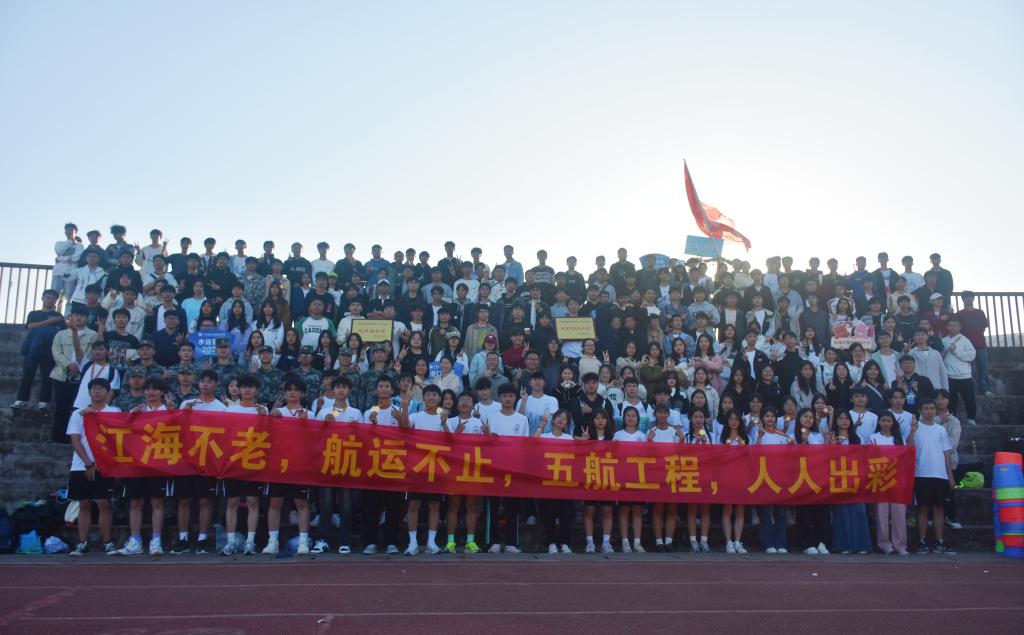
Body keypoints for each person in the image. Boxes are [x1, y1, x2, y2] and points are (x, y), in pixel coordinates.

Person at [116, 377, 174, 556]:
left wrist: (173, 413)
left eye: (155, 389)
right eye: (148, 389)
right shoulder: (137, 410)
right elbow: (123, 431)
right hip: (138, 463)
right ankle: (136, 541)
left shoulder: (169, 411)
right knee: (135, 502)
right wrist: (132, 416)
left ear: (162, 392)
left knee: (157, 502)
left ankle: (156, 541)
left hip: (159, 463)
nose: (151, 392)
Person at [66, 378, 119, 556]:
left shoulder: (114, 412)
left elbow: (117, 439)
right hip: (81, 465)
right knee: (84, 503)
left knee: (104, 503)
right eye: (94, 389)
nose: (97, 392)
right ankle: (82, 542)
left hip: (105, 465)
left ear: (107, 392)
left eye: (101, 389)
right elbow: (75, 440)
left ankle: (107, 542)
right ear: (89, 392)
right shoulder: (78, 414)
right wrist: (88, 463)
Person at [263, 377, 314, 555]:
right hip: (278, 464)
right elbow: (266, 436)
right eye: (289, 389)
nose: (292, 393)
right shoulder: (277, 413)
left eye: (296, 389)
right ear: (284, 393)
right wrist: (271, 419)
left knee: (301, 503)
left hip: (300, 465)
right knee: (275, 502)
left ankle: (303, 542)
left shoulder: (310, 414)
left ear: (302, 393)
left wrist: (306, 423)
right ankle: (272, 541)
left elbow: (315, 440)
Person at [220, 375, 269, 556]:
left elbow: (270, 433)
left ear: (257, 390)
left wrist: (264, 418)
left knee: (252, 501)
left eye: (251, 387)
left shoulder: (262, 410)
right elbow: (224, 435)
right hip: (234, 462)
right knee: (232, 501)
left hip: (254, 461)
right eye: (244, 387)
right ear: (239, 390)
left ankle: (250, 541)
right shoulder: (231, 410)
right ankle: (231, 541)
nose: (247, 390)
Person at [399, 385, 446, 555]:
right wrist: (405, 405)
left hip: (437, 467)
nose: (431, 397)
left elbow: (451, 440)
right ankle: (412, 543)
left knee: (434, 504)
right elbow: (404, 425)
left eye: (434, 395)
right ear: (423, 398)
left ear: (439, 398)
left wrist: (445, 424)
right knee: (414, 504)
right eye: (428, 395)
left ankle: (431, 543)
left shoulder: (444, 417)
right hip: (416, 467)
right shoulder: (415, 416)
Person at [360, 376, 404, 555]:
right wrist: (373, 426)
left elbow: (408, 436)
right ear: (376, 389)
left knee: (393, 506)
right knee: (371, 506)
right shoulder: (368, 413)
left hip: (394, 464)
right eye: (381, 386)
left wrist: (401, 420)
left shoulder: (399, 411)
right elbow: (364, 439)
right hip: (374, 465)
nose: (384, 389)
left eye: (387, 386)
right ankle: (370, 541)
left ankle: (391, 541)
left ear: (392, 390)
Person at [484, 383, 530, 553]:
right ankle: (493, 541)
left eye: (511, 396)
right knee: (493, 506)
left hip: (514, 467)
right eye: (504, 396)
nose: (508, 399)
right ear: (499, 398)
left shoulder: (522, 419)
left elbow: (525, 445)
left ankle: (512, 542)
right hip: (495, 467)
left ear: (515, 398)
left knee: (513, 507)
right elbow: (486, 443)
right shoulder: (491, 418)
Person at [908, 399, 956, 554]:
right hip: (921, 474)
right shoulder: (915, 428)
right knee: (922, 508)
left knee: (939, 508)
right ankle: (922, 540)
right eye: (926, 408)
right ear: (920, 410)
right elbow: (908, 447)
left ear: (935, 411)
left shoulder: (941, 430)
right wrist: (913, 431)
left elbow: (947, 454)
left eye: (931, 408)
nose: (929, 411)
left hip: (940, 475)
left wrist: (950, 475)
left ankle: (938, 540)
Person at [444, 392, 484, 554]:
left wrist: (488, 434)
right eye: (462, 400)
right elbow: (444, 445)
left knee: (471, 505)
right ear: (457, 404)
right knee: (453, 505)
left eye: (468, 400)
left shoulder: (479, 423)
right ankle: (450, 541)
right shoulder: (450, 421)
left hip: (473, 469)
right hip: (454, 469)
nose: (465, 403)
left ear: (473, 405)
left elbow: (486, 446)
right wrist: (456, 434)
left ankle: (470, 541)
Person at [533, 407, 576, 554]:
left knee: (565, 514)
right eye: (558, 416)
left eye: (564, 418)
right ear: (553, 419)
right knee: (549, 513)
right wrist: (541, 425)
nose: (560, 420)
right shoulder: (545, 436)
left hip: (565, 481)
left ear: (567, 423)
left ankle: (565, 543)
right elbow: (534, 442)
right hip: (548, 480)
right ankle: (551, 542)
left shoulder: (569, 438)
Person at [870, 411, 909, 555]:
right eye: (883, 421)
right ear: (878, 422)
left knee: (899, 513)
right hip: (880, 478)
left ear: (893, 423)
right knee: (882, 514)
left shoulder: (899, 439)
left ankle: (900, 545)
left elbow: (905, 458)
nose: (886, 423)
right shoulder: (873, 437)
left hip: (897, 478)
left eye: (888, 421)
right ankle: (884, 544)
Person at [756, 407, 792, 553]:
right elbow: (754, 452)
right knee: (765, 512)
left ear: (776, 419)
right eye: (767, 416)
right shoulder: (758, 433)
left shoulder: (782, 435)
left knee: (781, 513)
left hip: (780, 477)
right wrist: (759, 437)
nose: (769, 418)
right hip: (764, 476)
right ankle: (767, 543)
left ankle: (781, 543)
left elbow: (790, 455)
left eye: (772, 416)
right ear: (762, 418)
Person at [682, 408, 713, 553]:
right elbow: (682, 454)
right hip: (691, 474)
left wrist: (706, 444)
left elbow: (717, 455)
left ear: (705, 419)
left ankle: (704, 540)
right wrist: (695, 444)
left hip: (707, 474)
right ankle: (693, 540)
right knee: (692, 508)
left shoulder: (711, 435)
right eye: (695, 417)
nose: (698, 420)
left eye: (701, 417)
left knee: (705, 508)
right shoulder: (686, 436)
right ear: (691, 419)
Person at [719, 410, 749, 554]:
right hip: (726, 476)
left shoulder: (745, 438)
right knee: (728, 509)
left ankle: (738, 541)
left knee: (740, 510)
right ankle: (728, 542)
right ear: (727, 421)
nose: (734, 421)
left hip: (741, 476)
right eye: (731, 419)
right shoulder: (721, 438)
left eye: (736, 419)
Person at [954, 291, 991, 396]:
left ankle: (984, 389)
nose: (968, 299)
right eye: (966, 297)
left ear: (973, 298)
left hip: (980, 344)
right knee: (969, 369)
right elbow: (957, 329)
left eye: (970, 297)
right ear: (963, 299)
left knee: (983, 367)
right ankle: (972, 390)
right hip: (966, 345)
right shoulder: (959, 314)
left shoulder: (980, 312)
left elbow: (984, 326)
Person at [942, 317, 977, 425]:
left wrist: (956, 351)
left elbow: (972, 356)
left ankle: (971, 418)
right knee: (951, 400)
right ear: (947, 327)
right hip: (949, 376)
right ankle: (951, 420)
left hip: (964, 376)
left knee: (969, 399)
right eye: (951, 325)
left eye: (955, 325)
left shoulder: (965, 340)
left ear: (960, 327)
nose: (953, 328)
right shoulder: (943, 340)